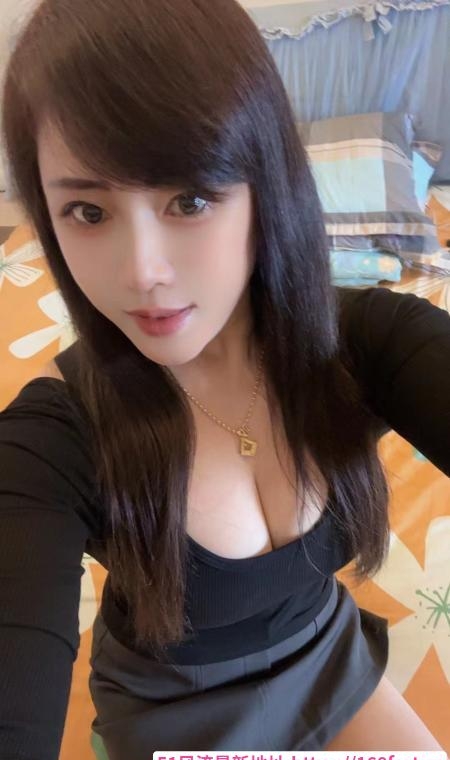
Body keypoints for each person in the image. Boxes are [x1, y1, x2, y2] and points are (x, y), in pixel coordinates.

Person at [0, 1, 449, 758]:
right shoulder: (53, 438)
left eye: (190, 198)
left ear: (264, 185)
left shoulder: (366, 342)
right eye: (87, 211)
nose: (143, 272)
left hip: (324, 654)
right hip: (172, 703)